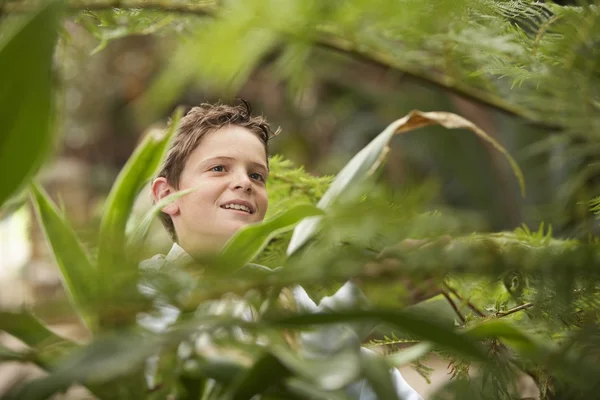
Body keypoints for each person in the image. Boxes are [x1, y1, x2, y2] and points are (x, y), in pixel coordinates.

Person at [147, 100, 423, 400]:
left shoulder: (284, 299)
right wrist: (361, 299)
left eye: (257, 175)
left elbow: (353, 375)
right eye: (218, 168)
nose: (244, 182)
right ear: (167, 196)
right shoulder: (142, 295)